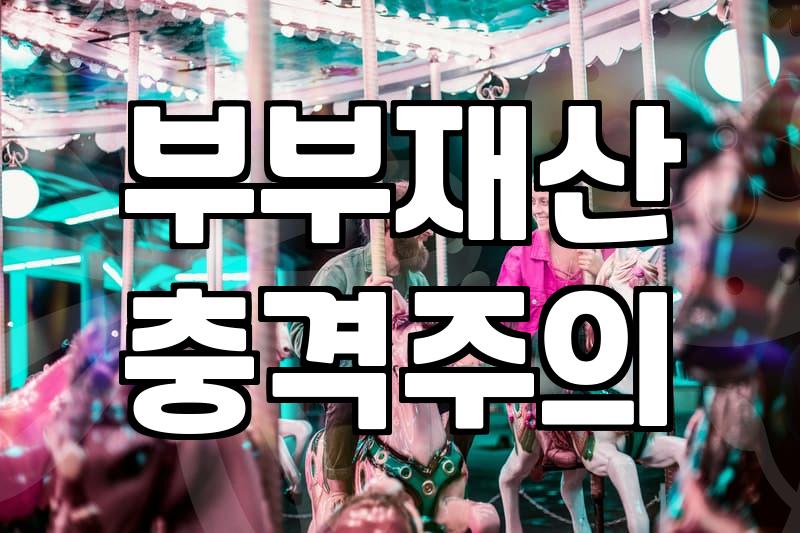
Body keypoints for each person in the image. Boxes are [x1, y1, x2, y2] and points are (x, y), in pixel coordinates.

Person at [288, 180, 433, 518]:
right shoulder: (340, 271)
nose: (428, 232)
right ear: (389, 225)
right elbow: (301, 334)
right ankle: (337, 489)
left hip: (402, 383)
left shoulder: (417, 281)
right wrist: (357, 313)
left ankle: (448, 480)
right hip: (355, 374)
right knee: (351, 394)